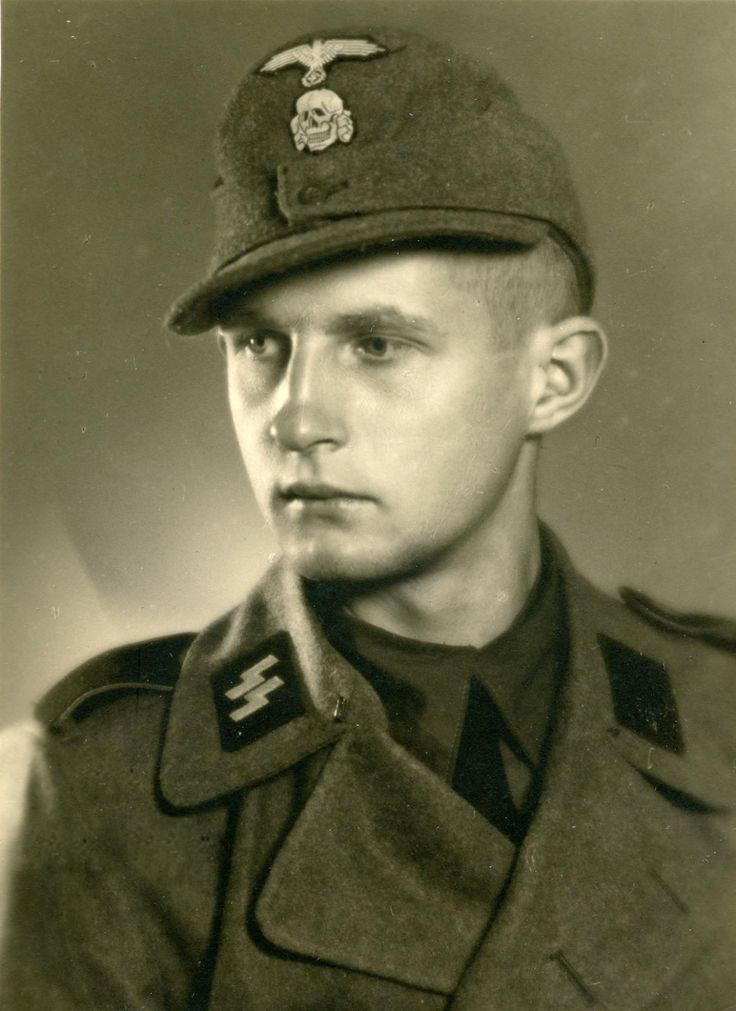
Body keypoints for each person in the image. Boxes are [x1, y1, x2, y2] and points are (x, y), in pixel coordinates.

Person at [2, 25, 734, 1011]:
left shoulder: (719, 716)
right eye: (259, 345)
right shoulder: (99, 793)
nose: (295, 416)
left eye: (377, 344)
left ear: (554, 379)